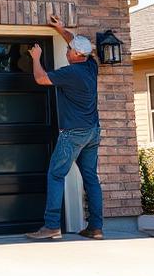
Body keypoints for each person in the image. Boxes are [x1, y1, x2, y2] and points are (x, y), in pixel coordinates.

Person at [26, 15, 104, 240]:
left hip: (74, 134)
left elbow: (41, 79)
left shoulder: (71, 73)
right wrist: (60, 29)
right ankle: (96, 227)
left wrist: (36, 57)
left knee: (55, 174)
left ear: (77, 55)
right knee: (91, 178)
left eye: (69, 50)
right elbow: (73, 41)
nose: (66, 51)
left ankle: (51, 226)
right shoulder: (91, 66)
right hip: (92, 132)